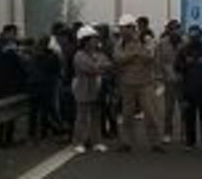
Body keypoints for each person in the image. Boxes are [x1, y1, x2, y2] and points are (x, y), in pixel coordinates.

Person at [113, 14, 163, 153]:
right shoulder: (120, 42)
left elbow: (150, 56)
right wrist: (133, 55)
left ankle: (155, 143)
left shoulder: (145, 39)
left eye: (123, 28)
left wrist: (134, 54)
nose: (121, 31)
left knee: (150, 114)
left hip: (145, 83)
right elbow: (117, 58)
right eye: (121, 28)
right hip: (127, 83)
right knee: (127, 115)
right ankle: (126, 143)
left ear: (131, 28)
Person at [174, 25, 202, 150]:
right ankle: (190, 142)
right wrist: (186, 63)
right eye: (192, 37)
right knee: (189, 117)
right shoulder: (184, 50)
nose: (194, 39)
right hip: (188, 89)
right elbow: (177, 66)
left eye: (197, 36)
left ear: (201, 36)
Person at [72, 25, 112, 153]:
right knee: (82, 117)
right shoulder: (79, 55)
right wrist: (99, 66)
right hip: (83, 88)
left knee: (96, 116)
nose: (96, 41)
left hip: (96, 88)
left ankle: (97, 141)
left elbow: (108, 65)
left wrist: (99, 65)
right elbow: (91, 69)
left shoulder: (98, 54)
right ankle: (79, 142)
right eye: (93, 39)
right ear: (85, 41)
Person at [0, 24, 27, 148]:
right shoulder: (7, 48)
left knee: (4, 113)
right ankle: (4, 140)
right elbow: (17, 66)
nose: (15, 36)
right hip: (6, 84)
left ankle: (4, 140)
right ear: (7, 33)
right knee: (7, 112)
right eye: (13, 33)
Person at [28, 35, 64, 142]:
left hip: (34, 85)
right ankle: (43, 134)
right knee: (44, 111)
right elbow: (57, 70)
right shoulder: (53, 56)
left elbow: (30, 69)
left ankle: (32, 133)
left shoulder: (34, 55)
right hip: (47, 86)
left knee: (33, 112)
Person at [156, 20, 183, 145]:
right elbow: (158, 62)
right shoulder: (162, 43)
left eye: (177, 29)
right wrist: (159, 78)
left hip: (183, 81)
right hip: (169, 80)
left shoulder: (185, 42)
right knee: (169, 109)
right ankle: (167, 133)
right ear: (169, 30)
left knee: (184, 108)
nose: (175, 31)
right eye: (172, 29)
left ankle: (184, 133)